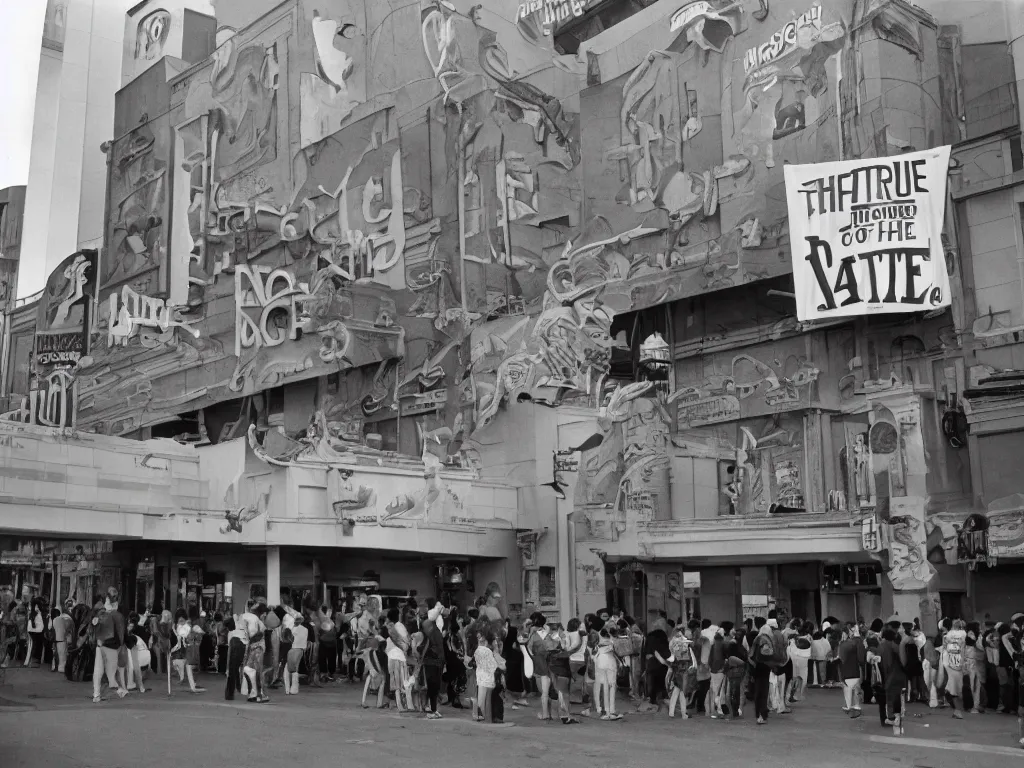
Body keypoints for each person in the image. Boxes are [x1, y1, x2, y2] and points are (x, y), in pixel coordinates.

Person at [92, 589, 127, 703]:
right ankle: (120, 690)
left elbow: (93, 629)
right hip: (112, 646)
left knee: (98, 670)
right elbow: (121, 633)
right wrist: (121, 646)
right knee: (111, 670)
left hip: (99, 645)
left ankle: (96, 694)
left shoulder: (100, 614)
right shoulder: (118, 616)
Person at [420, 608, 446, 719]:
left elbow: (435, 649)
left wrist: (422, 650)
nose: (424, 630)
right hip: (436, 663)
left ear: (428, 627)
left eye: (424, 628)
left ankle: (433, 709)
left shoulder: (433, 634)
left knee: (432, 686)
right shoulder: (436, 633)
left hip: (433, 664)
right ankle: (433, 709)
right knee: (433, 687)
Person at [750, 617, 774, 724]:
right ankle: (762, 715)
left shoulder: (757, 638)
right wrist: (772, 652)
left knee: (758, 692)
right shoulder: (765, 639)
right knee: (763, 692)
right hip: (763, 667)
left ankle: (758, 714)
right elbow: (766, 652)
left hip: (756, 667)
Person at [941, 618, 967, 718]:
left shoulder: (947, 636)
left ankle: (958, 710)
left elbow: (944, 649)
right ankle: (957, 709)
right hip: (957, 664)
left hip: (951, 664)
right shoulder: (963, 635)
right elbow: (963, 650)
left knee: (954, 688)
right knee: (955, 687)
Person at [838, 625, 865, 717]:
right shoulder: (857, 641)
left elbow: (842, 657)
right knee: (855, 686)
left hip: (850, 667)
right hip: (855, 666)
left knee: (849, 686)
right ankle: (855, 705)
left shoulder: (848, 643)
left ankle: (851, 705)